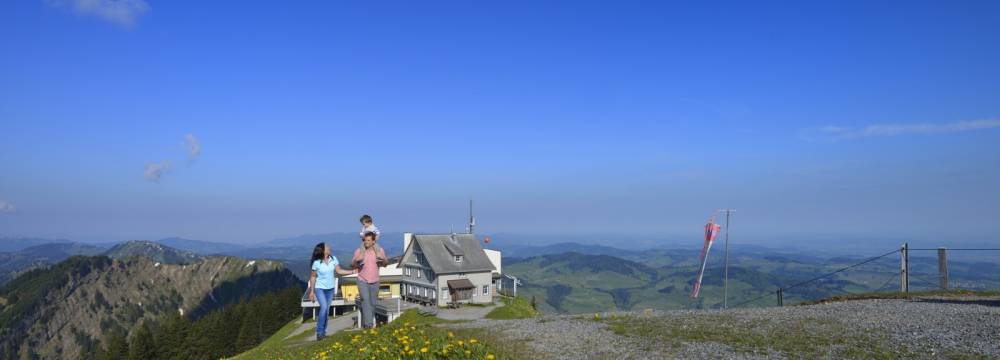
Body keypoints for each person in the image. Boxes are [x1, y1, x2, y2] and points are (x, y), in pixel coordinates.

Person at [308, 242, 355, 340]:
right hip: (319, 288)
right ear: (323, 250)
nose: (329, 248)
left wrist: (352, 271)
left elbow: (339, 271)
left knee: (326, 311)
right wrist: (312, 292)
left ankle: (323, 332)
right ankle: (319, 332)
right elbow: (313, 277)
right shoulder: (316, 263)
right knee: (324, 308)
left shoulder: (333, 259)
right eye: (327, 247)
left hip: (330, 289)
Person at [352, 231, 387, 328]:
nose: (366, 242)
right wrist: (357, 260)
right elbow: (352, 265)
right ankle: (368, 325)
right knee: (365, 301)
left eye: (368, 240)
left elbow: (385, 263)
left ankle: (368, 322)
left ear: (373, 241)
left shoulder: (379, 251)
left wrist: (383, 260)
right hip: (362, 279)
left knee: (372, 303)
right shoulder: (359, 251)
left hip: (375, 280)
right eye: (364, 240)